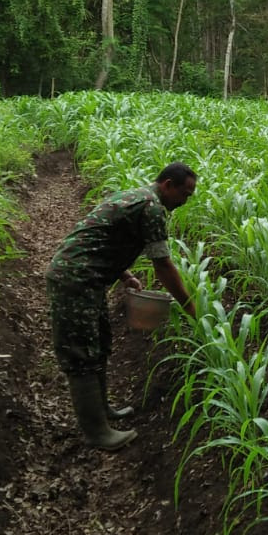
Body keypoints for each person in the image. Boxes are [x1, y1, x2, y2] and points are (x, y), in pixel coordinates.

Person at [45, 162, 199, 451]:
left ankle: (103, 411)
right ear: (167, 185)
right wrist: (191, 307)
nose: (185, 200)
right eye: (185, 194)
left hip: (87, 278)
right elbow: (163, 266)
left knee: (100, 343)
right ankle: (97, 432)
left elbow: (100, 237)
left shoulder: (134, 196)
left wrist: (124, 274)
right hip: (75, 280)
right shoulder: (152, 208)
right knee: (81, 353)